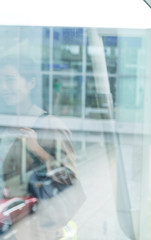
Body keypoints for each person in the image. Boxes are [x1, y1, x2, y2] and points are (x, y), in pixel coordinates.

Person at [0, 56, 84, 238]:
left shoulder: (50, 125)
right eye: (1, 80)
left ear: (30, 83)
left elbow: (70, 178)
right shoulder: (6, 123)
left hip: (35, 224)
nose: (4, 87)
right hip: (7, 219)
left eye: (10, 80)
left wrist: (37, 149)